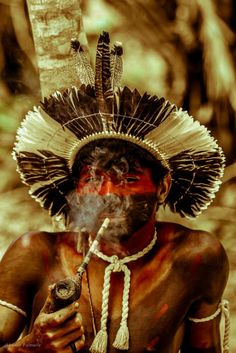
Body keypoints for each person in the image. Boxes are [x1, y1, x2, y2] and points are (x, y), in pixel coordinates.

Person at [0, 32, 229, 353]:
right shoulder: (33, 254)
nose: (107, 193)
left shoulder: (195, 257)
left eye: (128, 178)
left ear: (162, 187)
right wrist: (29, 348)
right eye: (93, 179)